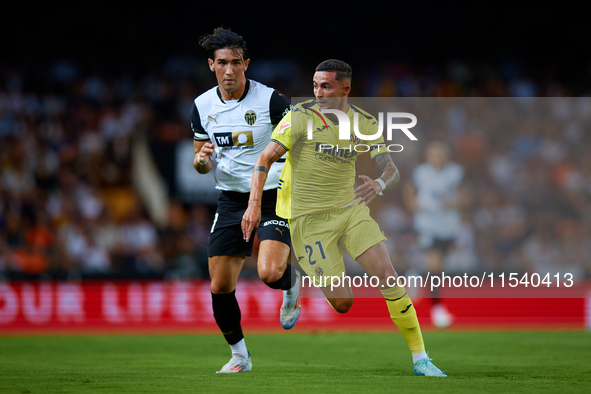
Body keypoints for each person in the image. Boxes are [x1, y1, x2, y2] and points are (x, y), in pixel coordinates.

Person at [242, 59, 447, 377]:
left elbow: (390, 169)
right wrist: (254, 204)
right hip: (308, 222)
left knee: (387, 275)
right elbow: (265, 157)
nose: (318, 92)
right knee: (342, 303)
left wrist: (379, 183)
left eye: (326, 86)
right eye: (315, 85)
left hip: (349, 210)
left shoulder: (364, 123)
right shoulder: (300, 117)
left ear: (346, 89)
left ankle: (421, 359)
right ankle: (294, 281)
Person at [191, 27, 301, 374]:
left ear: (246, 64)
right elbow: (199, 163)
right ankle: (240, 355)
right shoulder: (201, 106)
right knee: (220, 285)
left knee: (269, 273)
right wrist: (202, 159)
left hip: (274, 195)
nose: (228, 70)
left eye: (235, 63)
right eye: (221, 63)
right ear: (211, 65)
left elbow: (300, 147)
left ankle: (290, 281)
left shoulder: (272, 101)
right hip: (231, 200)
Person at [403, 140, 472, 328]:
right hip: (427, 224)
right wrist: (413, 205)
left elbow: (466, 198)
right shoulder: (421, 173)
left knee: (438, 267)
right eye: (434, 154)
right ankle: (437, 309)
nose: (437, 157)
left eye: (440, 153)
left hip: (449, 226)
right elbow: (409, 190)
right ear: (428, 155)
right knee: (434, 264)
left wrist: (453, 204)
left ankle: (415, 274)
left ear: (447, 155)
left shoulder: (455, 173)